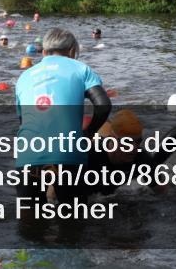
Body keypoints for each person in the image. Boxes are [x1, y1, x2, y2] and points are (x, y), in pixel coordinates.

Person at [14, 28, 111, 215]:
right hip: (68, 154)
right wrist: (88, 133)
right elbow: (103, 105)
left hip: (28, 154)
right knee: (74, 220)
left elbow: (22, 120)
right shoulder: (81, 69)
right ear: (73, 51)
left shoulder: (24, 77)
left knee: (30, 224)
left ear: (43, 53)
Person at [82, 109, 157, 196]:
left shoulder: (142, 159)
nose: (133, 148)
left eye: (138, 141)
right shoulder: (90, 157)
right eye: (127, 142)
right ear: (113, 139)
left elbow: (163, 193)